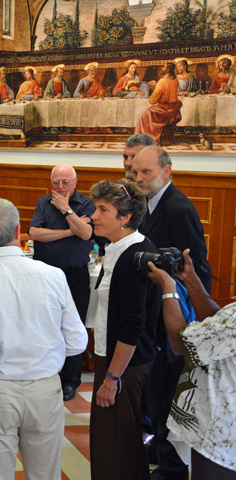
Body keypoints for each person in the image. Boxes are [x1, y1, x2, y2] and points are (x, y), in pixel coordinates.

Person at [0, 198, 87, 480]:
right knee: (44, 475)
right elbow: (77, 342)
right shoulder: (53, 276)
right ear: (19, 230)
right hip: (44, 387)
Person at [133, 146, 211, 480]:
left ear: (166, 171)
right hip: (154, 314)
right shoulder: (147, 205)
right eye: (134, 172)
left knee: (168, 392)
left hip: (174, 319)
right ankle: (161, 453)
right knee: (156, 392)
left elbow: (198, 269)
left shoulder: (178, 208)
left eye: (145, 172)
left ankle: (172, 468)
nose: (138, 179)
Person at [88, 179, 162, 480]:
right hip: (116, 358)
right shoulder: (118, 247)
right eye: (95, 208)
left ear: (126, 217)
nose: (94, 215)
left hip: (126, 364)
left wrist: (112, 379)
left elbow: (133, 326)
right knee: (112, 443)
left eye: (103, 209)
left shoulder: (134, 256)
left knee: (118, 446)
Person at [147, 249, 236, 479]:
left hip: (221, 436)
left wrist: (168, 289)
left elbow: (179, 342)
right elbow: (217, 322)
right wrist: (190, 279)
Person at [28, 165, 95, 401]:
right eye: (56, 182)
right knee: (43, 323)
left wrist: (67, 211)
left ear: (75, 182)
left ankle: (70, 380)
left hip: (75, 274)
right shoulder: (43, 202)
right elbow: (34, 233)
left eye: (65, 182)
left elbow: (86, 233)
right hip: (44, 274)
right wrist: (70, 231)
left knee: (73, 326)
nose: (60, 187)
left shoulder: (86, 204)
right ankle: (45, 373)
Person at [135, 62, 182, 146]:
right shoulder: (175, 80)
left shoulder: (162, 81)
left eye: (164, 67)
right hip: (171, 108)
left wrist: (153, 89)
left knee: (141, 116)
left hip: (162, 110)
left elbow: (152, 101)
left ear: (167, 70)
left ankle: (145, 140)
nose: (162, 68)